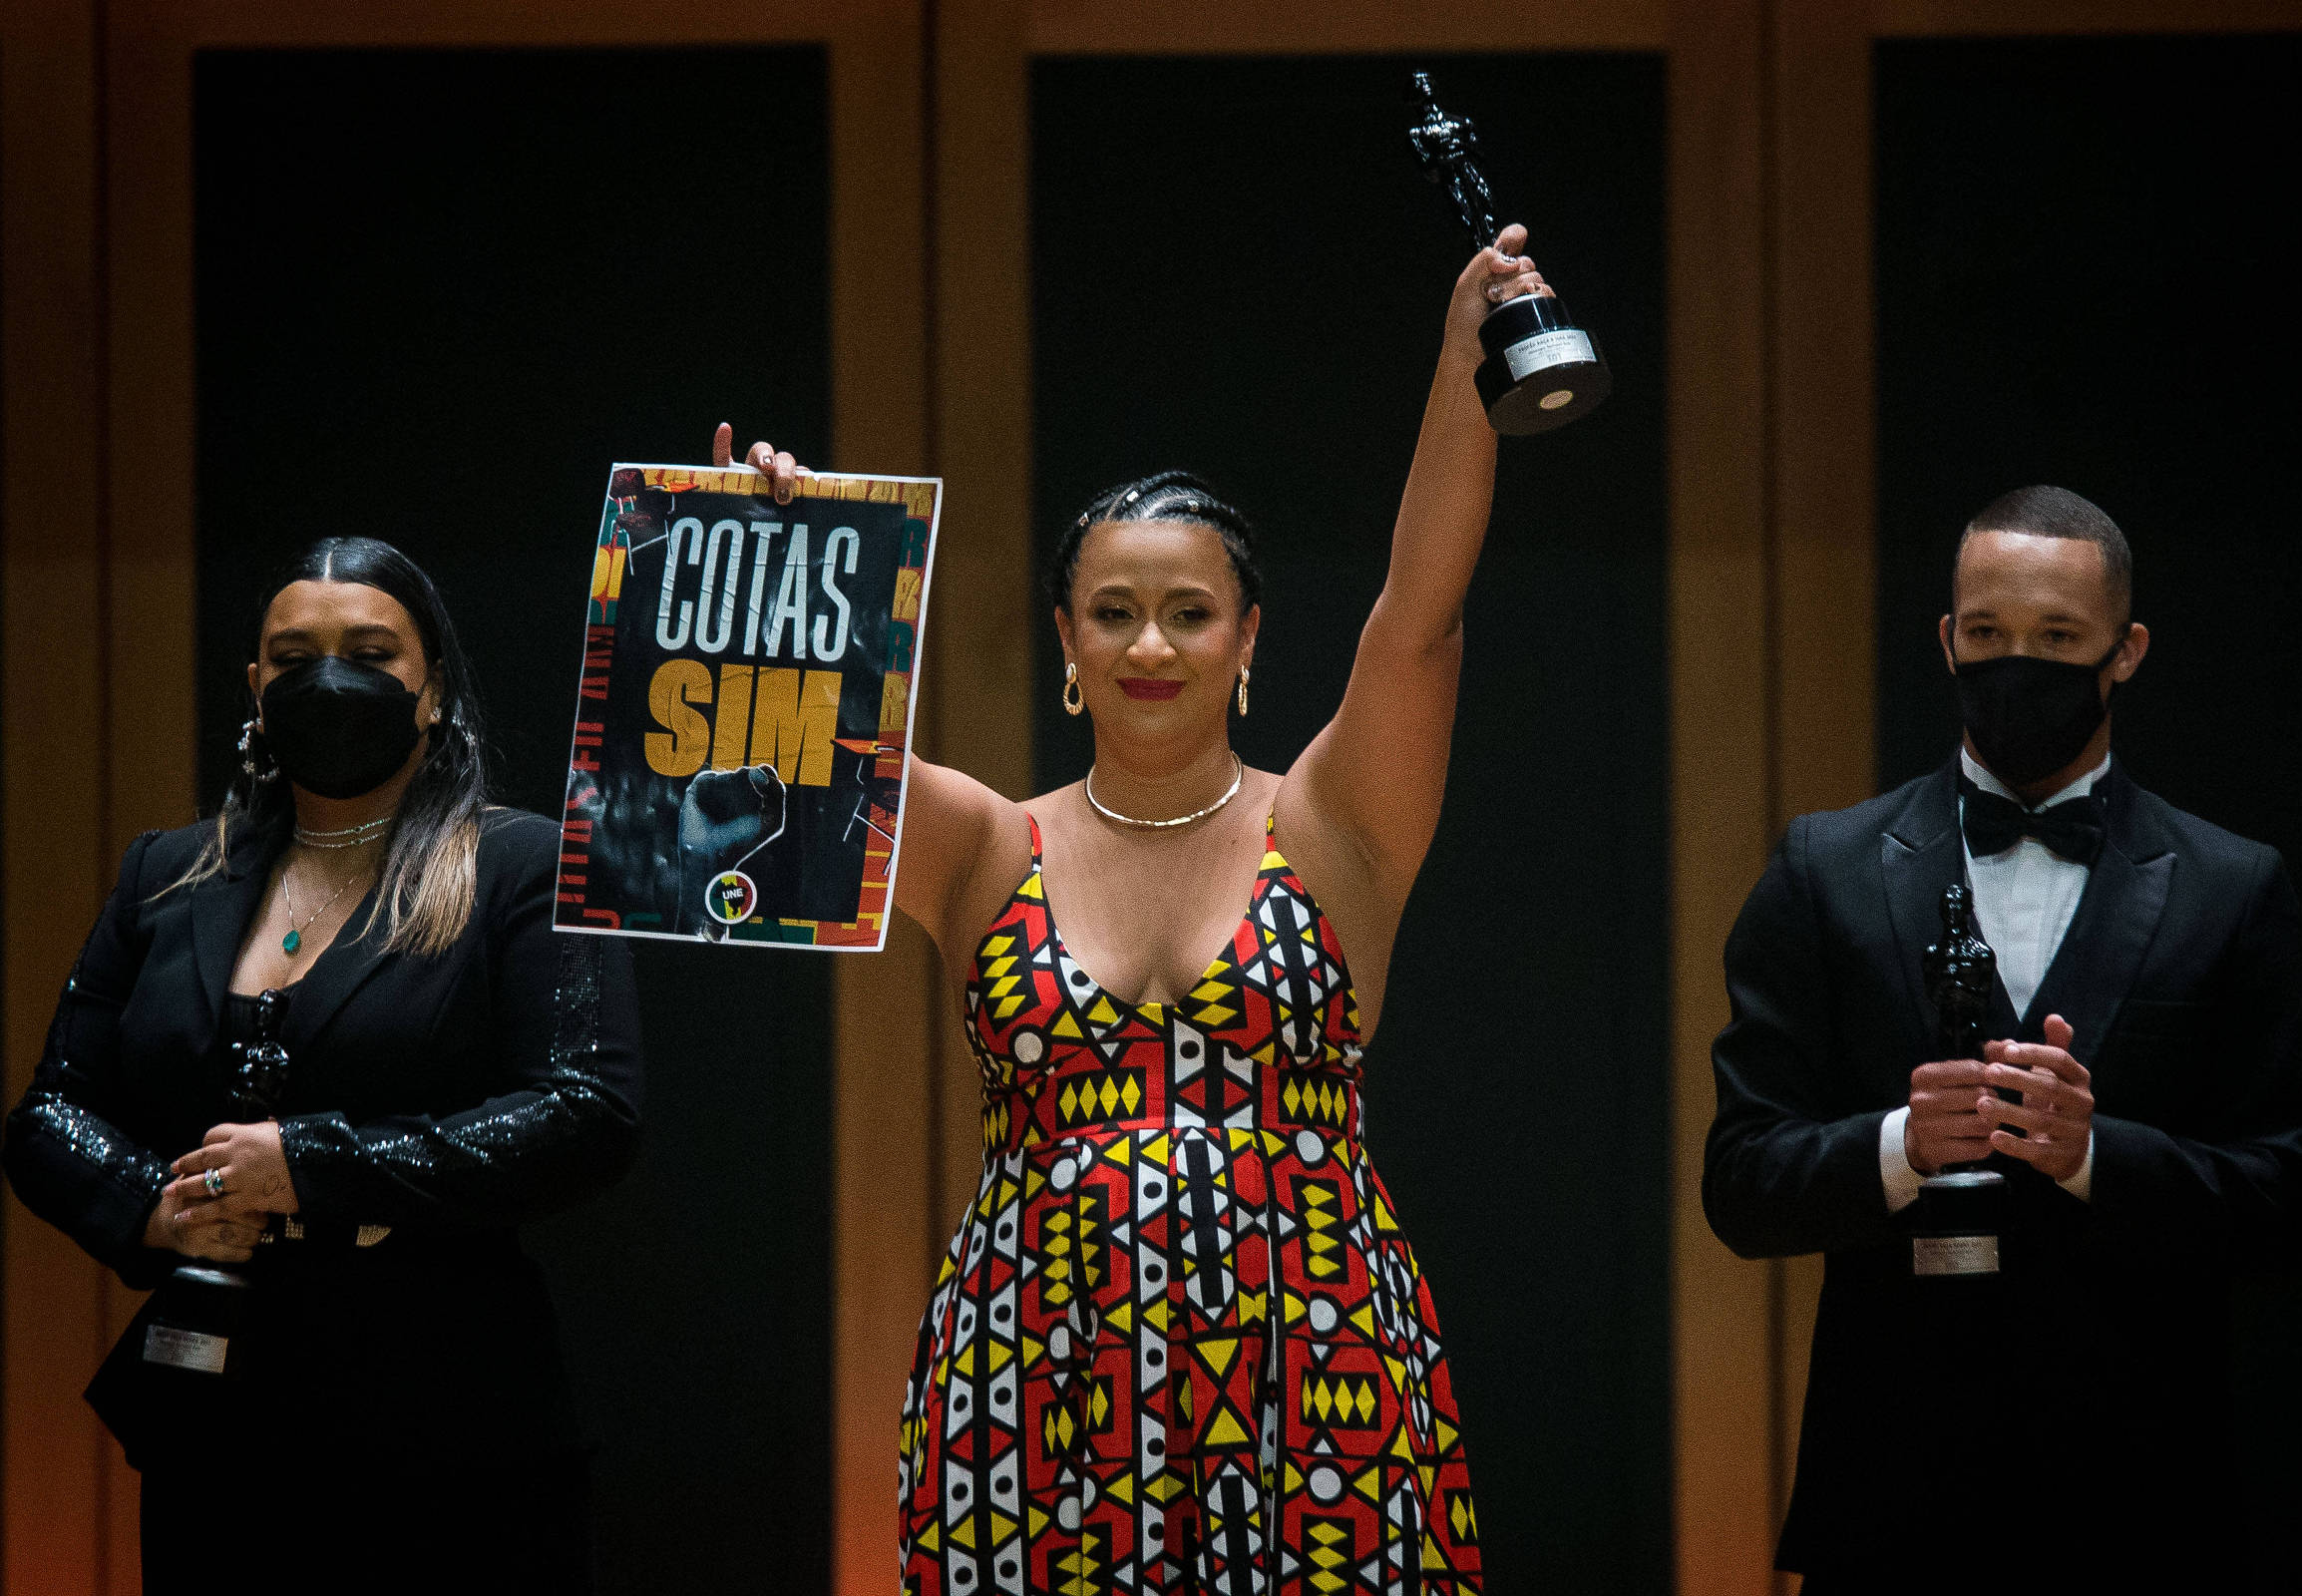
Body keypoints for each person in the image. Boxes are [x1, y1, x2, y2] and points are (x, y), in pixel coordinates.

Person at [726, 222, 1547, 1596]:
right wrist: (779, 553)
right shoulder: (988, 844)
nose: (1150, 644)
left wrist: (1465, 370)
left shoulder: (1333, 824)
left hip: (1320, 1375)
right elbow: (786, 752)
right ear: (1064, 640)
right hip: (1030, 1375)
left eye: (1188, 612)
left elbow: (1419, 616)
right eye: (1113, 612)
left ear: (1248, 640)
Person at [1703, 486, 2302, 1593]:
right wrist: (1900, 1144)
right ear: (1946, 638)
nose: (2015, 663)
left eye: (2057, 639)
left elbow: (2295, 1199)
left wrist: (2096, 1155)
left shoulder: (2235, 887)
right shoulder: (1825, 868)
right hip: (1888, 1508)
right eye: (1987, 634)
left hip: (2147, 1508)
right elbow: (1742, 1181)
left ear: (2125, 651)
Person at [4, 538, 643, 1593]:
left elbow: (589, 1110)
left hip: (455, 1441)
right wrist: (159, 1209)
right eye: (293, 656)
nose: (328, 678)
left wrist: (312, 1161)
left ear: (431, 689)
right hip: (220, 1439)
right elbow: (47, 1117)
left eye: (370, 651)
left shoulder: (524, 863)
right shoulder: (169, 873)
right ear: (254, 687)